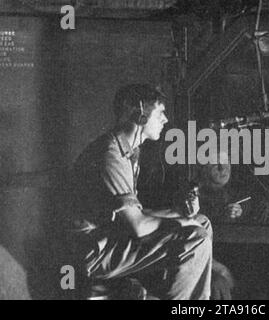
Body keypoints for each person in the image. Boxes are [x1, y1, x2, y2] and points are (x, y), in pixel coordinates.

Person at [66, 83, 212, 300]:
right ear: (140, 113)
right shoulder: (110, 155)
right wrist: (183, 222)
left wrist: (183, 214)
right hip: (93, 251)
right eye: (160, 112)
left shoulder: (128, 152)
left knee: (202, 222)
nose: (165, 119)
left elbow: (134, 215)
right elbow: (137, 226)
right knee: (196, 238)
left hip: (111, 237)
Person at [196, 150, 269, 299]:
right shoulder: (196, 197)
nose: (223, 168)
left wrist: (241, 211)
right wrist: (221, 270)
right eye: (216, 164)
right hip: (210, 264)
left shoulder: (239, 191)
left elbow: (251, 206)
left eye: (226, 163)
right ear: (204, 168)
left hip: (239, 267)